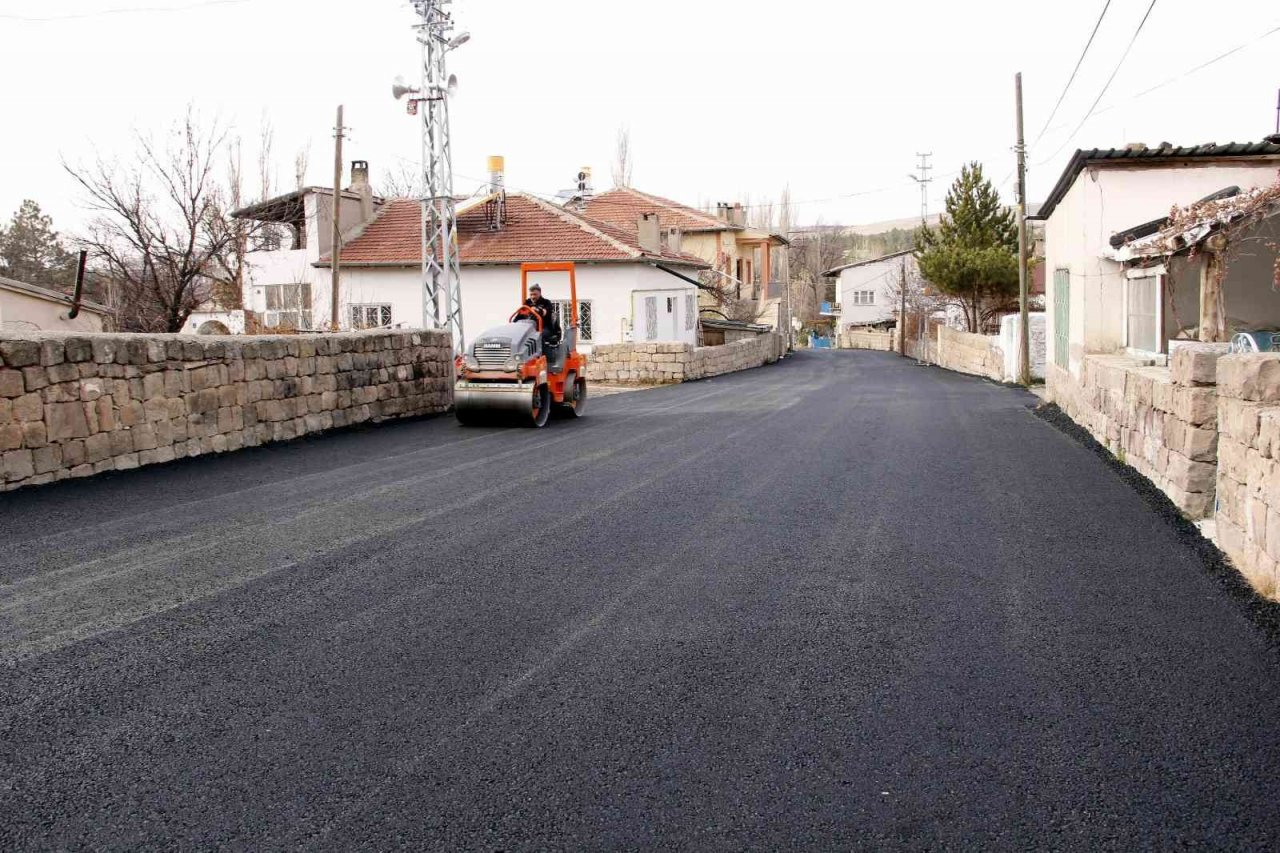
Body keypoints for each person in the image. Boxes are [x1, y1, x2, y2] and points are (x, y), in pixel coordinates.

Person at [523, 283, 560, 349]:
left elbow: (546, 313)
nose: (532, 297)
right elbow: (520, 314)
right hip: (529, 327)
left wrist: (537, 310)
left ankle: (545, 356)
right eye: (531, 294)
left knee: (538, 336)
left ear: (540, 293)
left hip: (545, 327)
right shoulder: (527, 303)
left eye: (535, 294)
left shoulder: (546, 302)